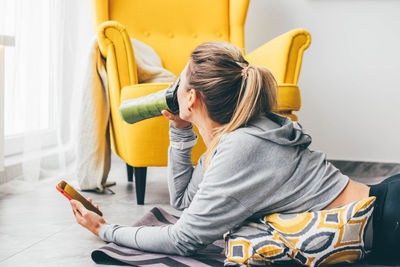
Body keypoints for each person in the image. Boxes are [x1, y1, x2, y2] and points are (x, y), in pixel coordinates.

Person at [70, 41, 399, 262]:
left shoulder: (241, 147)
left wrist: (105, 229)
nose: (174, 87)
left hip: (387, 220)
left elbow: (184, 239)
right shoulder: (236, 136)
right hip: (386, 206)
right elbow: (186, 202)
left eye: (180, 81)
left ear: (191, 98)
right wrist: (181, 130)